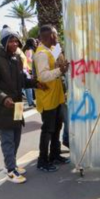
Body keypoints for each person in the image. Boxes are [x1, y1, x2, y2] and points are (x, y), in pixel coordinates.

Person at [0, 26, 45, 184]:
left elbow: (21, 80)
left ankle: (9, 164)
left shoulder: (16, 59)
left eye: (16, 40)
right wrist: (4, 98)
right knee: (8, 139)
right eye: (11, 41)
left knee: (17, 137)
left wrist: (35, 83)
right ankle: (11, 170)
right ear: (4, 42)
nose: (15, 43)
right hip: (2, 107)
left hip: (17, 106)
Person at [34, 25, 70, 172]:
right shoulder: (41, 54)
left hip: (57, 97)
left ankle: (55, 154)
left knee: (57, 127)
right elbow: (42, 76)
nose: (57, 37)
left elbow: (60, 59)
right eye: (55, 35)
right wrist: (59, 71)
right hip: (48, 98)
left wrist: (61, 59)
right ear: (49, 36)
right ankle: (42, 160)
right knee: (48, 129)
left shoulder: (51, 50)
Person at [22, 38, 38, 107]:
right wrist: (35, 60)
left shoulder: (25, 49)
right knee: (31, 86)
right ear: (31, 43)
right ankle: (31, 102)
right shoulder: (29, 50)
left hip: (27, 68)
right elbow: (28, 59)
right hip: (29, 69)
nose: (36, 43)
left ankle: (30, 101)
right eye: (34, 42)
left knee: (29, 87)